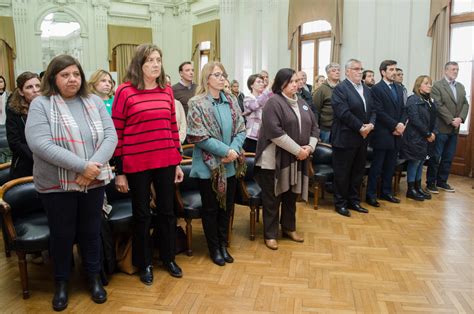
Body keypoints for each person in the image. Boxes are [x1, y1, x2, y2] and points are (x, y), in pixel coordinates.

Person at [25, 55, 117, 311]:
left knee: (91, 233)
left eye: (75, 74)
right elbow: (41, 144)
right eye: (65, 75)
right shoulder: (41, 105)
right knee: (62, 235)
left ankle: (94, 278)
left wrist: (91, 169)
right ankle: (62, 282)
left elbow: (110, 136)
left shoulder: (94, 101)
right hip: (56, 185)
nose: (72, 79)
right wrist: (82, 167)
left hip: (93, 182)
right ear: (53, 78)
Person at [112, 44, 184, 285]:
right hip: (136, 163)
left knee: (167, 212)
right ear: (139, 64)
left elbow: (172, 128)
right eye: (150, 60)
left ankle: (169, 257)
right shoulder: (124, 91)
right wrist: (119, 171)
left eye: (158, 60)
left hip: (165, 160)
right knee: (142, 215)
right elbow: (117, 133)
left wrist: (176, 163)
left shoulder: (166, 91)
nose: (155, 64)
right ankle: (144, 264)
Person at [187, 61, 246, 266]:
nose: (222, 78)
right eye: (218, 75)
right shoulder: (197, 103)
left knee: (227, 208)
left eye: (224, 75)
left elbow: (241, 129)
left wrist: (234, 150)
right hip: (208, 167)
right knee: (211, 209)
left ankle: (223, 244)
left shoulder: (230, 100)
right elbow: (198, 136)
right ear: (207, 78)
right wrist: (226, 151)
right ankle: (214, 249)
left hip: (229, 165)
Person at [255, 68, 319, 250]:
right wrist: (298, 150)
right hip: (273, 160)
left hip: (296, 159)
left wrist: (310, 147)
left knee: (291, 196)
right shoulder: (273, 103)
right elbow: (275, 132)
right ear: (281, 83)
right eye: (292, 81)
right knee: (273, 198)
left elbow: (315, 127)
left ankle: (289, 228)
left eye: (297, 81)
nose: (296, 84)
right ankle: (270, 234)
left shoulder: (303, 103)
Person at [331, 59, 376, 217]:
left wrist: (370, 125)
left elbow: (373, 110)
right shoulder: (340, 89)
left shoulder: (366, 89)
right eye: (356, 69)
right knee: (343, 173)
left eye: (361, 69)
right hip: (345, 138)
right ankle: (340, 203)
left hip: (362, 138)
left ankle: (354, 201)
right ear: (347, 71)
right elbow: (343, 113)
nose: (359, 71)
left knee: (357, 171)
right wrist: (360, 127)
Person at [366, 60, 406, 208]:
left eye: (395, 69)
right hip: (383, 133)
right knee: (377, 167)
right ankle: (371, 195)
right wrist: (395, 125)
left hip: (397, 133)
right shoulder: (376, 89)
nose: (394, 72)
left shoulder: (399, 88)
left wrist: (401, 124)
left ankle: (386, 192)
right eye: (391, 70)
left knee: (390, 166)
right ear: (383, 72)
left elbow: (403, 109)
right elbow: (379, 111)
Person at [426, 61, 469, 193]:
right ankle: (430, 183)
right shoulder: (437, 86)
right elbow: (438, 105)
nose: (455, 72)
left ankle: (442, 182)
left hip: (454, 129)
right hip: (441, 128)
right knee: (436, 156)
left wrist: (460, 118)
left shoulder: (460, 87)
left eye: (457, 69)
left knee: (448, 157)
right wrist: (451, 120)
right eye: (452, 69)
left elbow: (465, 104)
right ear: (445, 71)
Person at [400, 75, 437, 201]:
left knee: (421, 161)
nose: (429, 86)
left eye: (430, 83)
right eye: (426, 83)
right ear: (419, 85)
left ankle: (418, 187)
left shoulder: (429, 101)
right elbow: (415, 120)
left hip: (426, 137)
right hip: (415, 137)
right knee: (415, 161)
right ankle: (411, 189)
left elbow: (433, 119)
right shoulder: (413, 99)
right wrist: (427, 134)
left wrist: (433, 133)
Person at [6, 72, 41, 179]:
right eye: (29, 87)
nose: (35, 90)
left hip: (51, 166)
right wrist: (40, 156)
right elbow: (15, 143)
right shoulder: (14, 111)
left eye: (38, 86)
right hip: (25, 166)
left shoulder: (51, 107)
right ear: (21, 91)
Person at [242, 74, 272, 152]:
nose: (262, 84)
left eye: (262, 82)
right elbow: (255, 105)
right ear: (251, 85)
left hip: (264, 137)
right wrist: (267, 90)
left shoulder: (265, 98)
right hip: (252, 137)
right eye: (258, 82)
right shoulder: (247, 99)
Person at [312, 63, 340, 143]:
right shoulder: (321, 90)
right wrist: (316, 132)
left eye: (338, 70)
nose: (337, 72)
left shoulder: (344, 87)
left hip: (342, 128)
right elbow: (315, 111)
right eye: (334, 71)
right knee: (327, 152)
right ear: (328, 73)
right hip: (327, 130)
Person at [166, 74, 187, 144]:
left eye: (169, 83)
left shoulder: (177, 103)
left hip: (177, 142)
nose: (167, 85)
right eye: (165, 82)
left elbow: (183, 124)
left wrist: (179, 140)